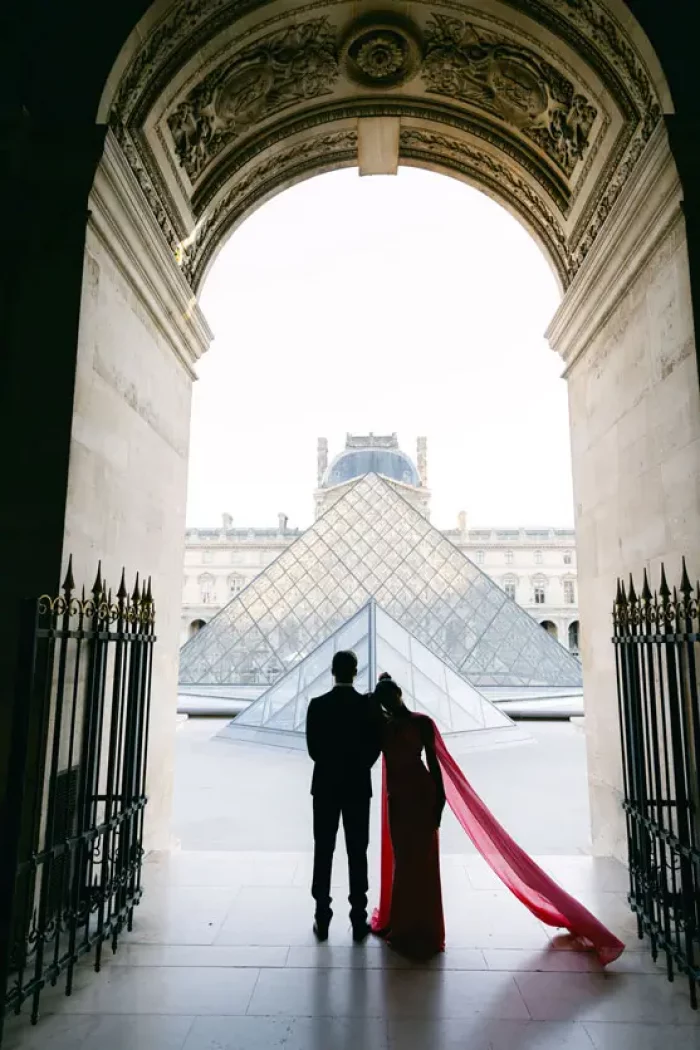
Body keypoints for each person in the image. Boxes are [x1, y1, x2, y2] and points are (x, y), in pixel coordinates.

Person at [371, 673, 625, 966]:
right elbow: (430, 766)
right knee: (411, 865)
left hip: (409, 801)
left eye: (387, 699)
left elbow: (434, 766)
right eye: (385, 701)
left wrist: (438, 804)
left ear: (396, 697)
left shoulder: (396, 727)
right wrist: (437, 801)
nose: (388, 704)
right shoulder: (408, 724)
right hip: (410, 800)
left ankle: (411, 929)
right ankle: (415, 929)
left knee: (414, 866)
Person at [305, 650, 382, 942]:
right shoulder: (367, 705)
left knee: (323, 850)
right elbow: (376, 745)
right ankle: (358, 917)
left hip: (325, 786)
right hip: (357, 786)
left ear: (332, 672)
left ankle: (322, 915)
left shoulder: (317, 705)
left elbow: (314, 750)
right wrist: (359, 764)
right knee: (357, 851)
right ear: (356, 672)